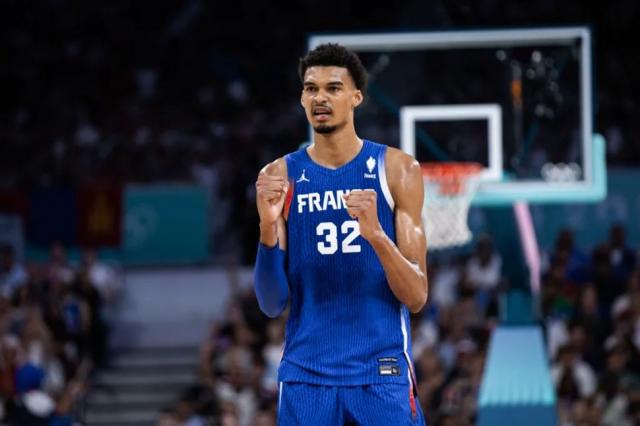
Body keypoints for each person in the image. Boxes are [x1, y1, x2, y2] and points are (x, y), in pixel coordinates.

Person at [253, 43, 428, 425]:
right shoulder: (279, 176)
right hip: (306, 376)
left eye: (333, 88)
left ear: (356, 97)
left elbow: (416, 296)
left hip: (381, 373)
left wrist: (377, 236)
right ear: (302, 99)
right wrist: (267, 229)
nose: (321, 98)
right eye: (311, 89)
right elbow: (271, 303)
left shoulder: (396, 170)